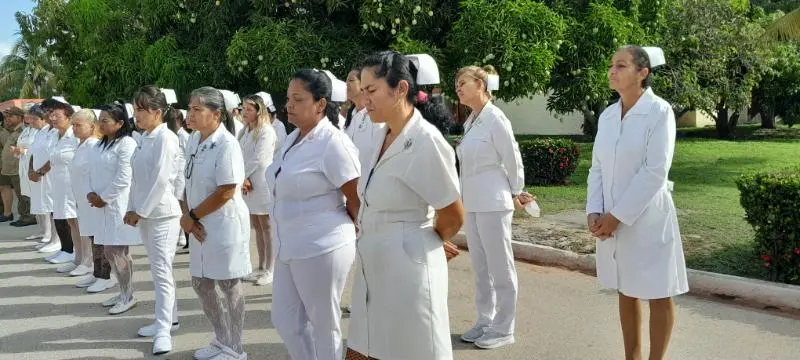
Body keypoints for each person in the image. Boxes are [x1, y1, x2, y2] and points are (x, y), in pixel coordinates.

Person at [346, 51, 464, 360]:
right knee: (365, 347)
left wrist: (426, 238)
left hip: (408, 267)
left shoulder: (426, 142)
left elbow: (452, 214)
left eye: (372, 90)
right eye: (363, 89)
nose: (364, 97)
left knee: (410, 350)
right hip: (374, 263)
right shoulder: (377, 133)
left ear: (400, 89)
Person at [587, 45, 688, 360]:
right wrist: (594, 210)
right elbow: (597, 168)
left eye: (621, 65)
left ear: (643, 73)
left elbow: (655, 171)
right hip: (610, 216)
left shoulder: (659, 112)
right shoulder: (607, 116)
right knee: (625, 288)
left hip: (648, 218)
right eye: (611, 65)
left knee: (658, 291)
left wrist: (616, 216)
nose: (612, 71)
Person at [268, 69, 360, 360]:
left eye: (298, 99)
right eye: (287, 99)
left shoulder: (332, 142)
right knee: (285, 320)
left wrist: (344, 226)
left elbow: (357, 196)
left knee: (324, 324)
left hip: (323, 244)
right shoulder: (293, 137)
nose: (289, 105)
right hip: (288, 244)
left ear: (320, 104)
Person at [454, 65, 534, 349]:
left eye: (463, 82)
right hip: (473, 202)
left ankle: (504, 327)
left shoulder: (496, 118)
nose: (458, 88)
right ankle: (485, 319)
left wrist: (517, 191)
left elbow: (512, 157)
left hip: (494, 201)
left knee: (500, 265)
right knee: (480, 265)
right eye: (456, 84)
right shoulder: (472, 121)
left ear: (481, 84)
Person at [180, 86, 251, 360]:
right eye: (190, 108)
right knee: (201, 282)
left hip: (222, 224)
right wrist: (188, 216)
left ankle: (236, 348)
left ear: (217, 114)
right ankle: (221, 339)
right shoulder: (193, 140)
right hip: (198, 224)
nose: (191, 114)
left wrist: (192, 216)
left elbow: (226, 190)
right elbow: (187, 182)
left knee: (228, 284)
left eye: (198, 109)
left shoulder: (227, 144)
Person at [124, 86, 184, 355]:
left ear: (157, 112)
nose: (136, 114)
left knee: (161, 273)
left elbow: (162, 181)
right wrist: (131, 207)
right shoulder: (145, 137)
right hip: (147, 214)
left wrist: (141, 210)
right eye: (135, 109)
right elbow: (137, 180)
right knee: (160, 270)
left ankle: (163, 331)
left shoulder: (166, 138)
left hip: (162, 214)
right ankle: (169, 318)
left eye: (141, 109)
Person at [87, 102, 140, 314]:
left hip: (117, 204)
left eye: (105, 120)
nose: (100, 124)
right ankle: (123, 291)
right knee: (110, 251)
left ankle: (128, 295)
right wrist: (91, 193)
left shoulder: (126, 144)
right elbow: (92, 170)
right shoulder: (101, 144)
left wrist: (104, 198)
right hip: (100, 205)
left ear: (119, 123)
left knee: (116, 251)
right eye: (99, 119)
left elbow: (124, 177)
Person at [238, 94, 277, 286]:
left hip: (261, 182)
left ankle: (271, 268)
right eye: (244, 109)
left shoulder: (266, 131)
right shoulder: (244, 131)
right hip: (247, 182)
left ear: (258, 111)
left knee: (267, 225)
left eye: (249, 109)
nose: (245, 112)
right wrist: (242, 177)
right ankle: (261, 266)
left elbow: (259, 158)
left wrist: (242, 176)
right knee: (257, 225)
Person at [44, 100, 81, 270]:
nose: (52, 118)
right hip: (56, 183)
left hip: (71, 183)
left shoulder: (74, 136)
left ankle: (76, 253)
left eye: (57, 115)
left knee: (73, 219)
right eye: (51, 115)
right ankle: (68, 250)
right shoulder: (54, 134)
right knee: (61, 215)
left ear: (68, 117)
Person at [69, 110, 103, 281]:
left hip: (92, 199)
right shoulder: (81, 144)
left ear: (92, 126)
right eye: (73, 124)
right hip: (81, 198)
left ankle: (100, 273)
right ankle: (93, 269)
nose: (74, 128)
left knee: (96, 236)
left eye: (78, 125)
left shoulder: (93, 145)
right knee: (90, 233)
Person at [29, 99, 62, 255]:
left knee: (53, 207)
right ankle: (51, 238)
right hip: (40, 174)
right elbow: (34, 153)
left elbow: (53, 156)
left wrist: (41, 171)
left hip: (49, 174)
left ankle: (57, 240)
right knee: (46, 207)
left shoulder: (56, 132)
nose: (50, 115)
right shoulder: (44, 131)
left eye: (50, 112)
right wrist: (32, 170)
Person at [2, 107, 36, 226]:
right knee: (20, 193)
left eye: (11, 116)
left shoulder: (23, 130)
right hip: (13, 167)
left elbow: (28, 148)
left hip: (18, 167)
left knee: (23, 193)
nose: (8, 119)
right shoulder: (14, 131)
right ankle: (24, 215)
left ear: (19, 117)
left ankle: (27, 217)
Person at [9, 106, 40, 228]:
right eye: (27, 114)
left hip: (32, 166)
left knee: (35, 196)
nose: (28, 117)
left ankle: (30, 218)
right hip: (23, 164)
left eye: (30, 115)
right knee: (26, 193)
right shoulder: (26, 130)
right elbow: (21, 146)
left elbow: (37, 150)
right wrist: (17, 152)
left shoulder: (38, 131)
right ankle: (40, 228)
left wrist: (23, 151)